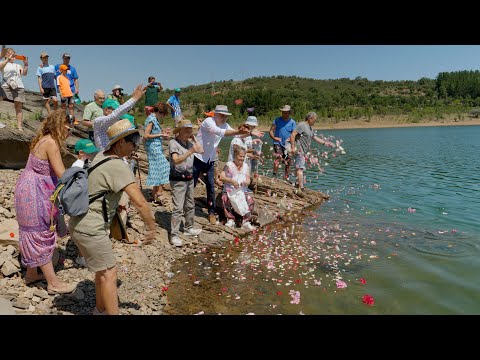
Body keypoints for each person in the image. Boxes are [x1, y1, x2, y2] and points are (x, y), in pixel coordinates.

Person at [69, 119, 157, 315]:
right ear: (120, 143)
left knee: (102, 271)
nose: (135, 146)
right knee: (110, 273)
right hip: (90, 227)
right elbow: (140, 201)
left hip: (79, 224)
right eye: (133, 142)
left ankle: (100, 310)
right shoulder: (118, 166)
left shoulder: (101, 155)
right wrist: (152, 227)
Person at [14, 109, 77, 294]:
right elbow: (61, 174)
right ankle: (53, 284)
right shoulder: (51, 143)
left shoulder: (44, 139)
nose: (69, 133)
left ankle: (31, 274)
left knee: (33, 230)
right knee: (40, 233)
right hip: (34, 193)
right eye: (68, 129)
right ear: (60, 126)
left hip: (29, 190)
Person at [193, 105, 264, 225]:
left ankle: (211, 212)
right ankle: (186, 207)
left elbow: (237, 135)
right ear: (215, 114)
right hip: (198, 157)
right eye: (222, 115)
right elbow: (221, 133)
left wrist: (249, 134)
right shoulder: (208, 121)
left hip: (209, 159)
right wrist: (245, 131)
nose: (224, 118)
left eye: (226, 116)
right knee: (191, 184)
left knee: (210, 186)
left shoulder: (225, 125)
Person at [169, 119, 204, 247]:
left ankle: (189, 227)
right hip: (178, 178)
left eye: (190, 130)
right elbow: (176, 160)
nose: (189, 132)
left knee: (190, 204)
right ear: (179, 131)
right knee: (178, 207)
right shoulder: (173, 143)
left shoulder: (190, 143)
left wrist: (194, 140)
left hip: (189, 177)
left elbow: (201, 151)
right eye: (186, 130)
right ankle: (174, 234)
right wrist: (190, 151)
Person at [70, 138, 100, 267]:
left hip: (86, 199)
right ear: (81, 153)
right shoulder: (77, 165)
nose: (92, 154)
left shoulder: (87, 162)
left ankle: (85, 255)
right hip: (79, 201)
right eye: (90, 152)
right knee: (82, 229)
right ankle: (81, 257)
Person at [93, 83, 145, 151]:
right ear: (106, 110)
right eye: (114, 109)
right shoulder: (98, 121)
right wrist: (133, 99)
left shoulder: (114, 125)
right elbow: (115, 115)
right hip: (105, 158)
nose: (116, 112)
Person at [290, 112, 327, 196]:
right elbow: (293, 134)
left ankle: (297, 184)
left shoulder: (310, 128)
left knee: (299, 167)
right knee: (300, 168)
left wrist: (325, 143)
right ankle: (301, 188)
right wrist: (292, 147)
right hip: (299, 150)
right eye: (315, 119)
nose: (315, 121)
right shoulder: (302, 125)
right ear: (310, 118)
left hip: (303, 151)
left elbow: (314, 137)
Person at [220, 146, 256, 230]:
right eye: (240, 156)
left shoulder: (246, 166)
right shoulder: (229, 165)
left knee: (250, 199)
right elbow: (221, 177)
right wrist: (232, 181)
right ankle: (230, 219)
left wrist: (246, 182)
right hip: (230, 188)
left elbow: (248, 179)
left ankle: (246, 221)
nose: (242, 158)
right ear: (235, 155)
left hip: (241, 189)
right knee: (225, 197)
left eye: (243, 156)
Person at [144, 102, 171, 205]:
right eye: (163, 114)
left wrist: (162, 134)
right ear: (160, 112)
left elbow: (152, 133)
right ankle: (159, 193)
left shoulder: (153, 118)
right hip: (153, 148)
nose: (163, 116)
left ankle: (154, 194)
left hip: (155, 147)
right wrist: (160, 134)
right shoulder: (151, 119)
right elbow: (146, 135)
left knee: (157, 169)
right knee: (164, 167)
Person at [0, 47, 29, 130]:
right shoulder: (3, 62)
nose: (12, 54)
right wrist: (8, 59)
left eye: (13, 53)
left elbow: (24, 73)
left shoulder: (18, 65)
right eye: (9, 53)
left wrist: (26, 64)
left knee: (18, 106)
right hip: (6, 85)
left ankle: (19, 127)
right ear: (5, 55)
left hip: (19, 86)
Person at [269, 105, 296, 180]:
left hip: (287, 145)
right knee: (279, 157)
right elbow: (271, 131)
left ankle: (286, 178)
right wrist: (274, 138)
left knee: (288, 161)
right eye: (283, 112)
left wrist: (291, 141)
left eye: (286, 112)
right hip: (277, 143)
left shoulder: (292, 122)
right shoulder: (277, 120)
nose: (284, 114)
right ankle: (274, 176)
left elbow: (294, 134)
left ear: (289, 113)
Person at [36, 51, 58, 116]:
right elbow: (39, 78)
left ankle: (55, 113)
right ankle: (50, 114)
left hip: (52, 86)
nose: (46, 58)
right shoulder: (40, 68)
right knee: (46, 101)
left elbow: (55, 77)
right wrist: (40, 88)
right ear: (41, 59)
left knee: (55, 100)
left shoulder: (52, 67)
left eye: (47, 57)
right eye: (44, 57)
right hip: (45, 86)